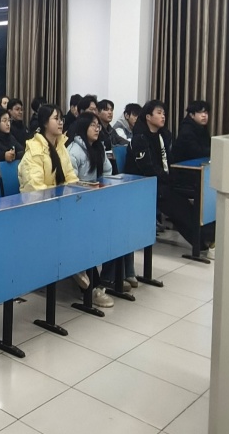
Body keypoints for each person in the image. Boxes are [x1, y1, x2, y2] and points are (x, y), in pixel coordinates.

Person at [19, 106, 112, 306]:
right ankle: (90, 286)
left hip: (59, 208)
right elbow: (35, 190)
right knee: (75, 231)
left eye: (62, 118)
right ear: (45, 123)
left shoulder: (60, 146)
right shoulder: (34, 151)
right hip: (38, 212)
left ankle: (87, 275)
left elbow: (70, 178)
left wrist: (78, 194)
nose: (61, 122)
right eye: (56, 118)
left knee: (90, 224)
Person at [126, 100, 214, 251]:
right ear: (148, 117)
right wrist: (169, 179)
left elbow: (168, 161)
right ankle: (202, 240)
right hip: (145, 183)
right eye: (159, 113)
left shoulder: (163, 136)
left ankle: (204, 239)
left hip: (162, 180)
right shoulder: (140, 138)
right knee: (177, 204)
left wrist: (172, 178)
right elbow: (148, 168)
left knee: (187, 199)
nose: (163, 116)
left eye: (164, 113)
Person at [66, 112, 127, 299]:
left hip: (96, 201)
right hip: (78, 204)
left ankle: (110, 277)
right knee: (89, 233)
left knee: (119, 226)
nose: (97, 128)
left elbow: (107, 173)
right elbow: (71, 185)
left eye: (98, 125)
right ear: (83, 127)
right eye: (93, 125)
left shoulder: (98, 147)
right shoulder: (73, 151)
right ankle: (92, 286)